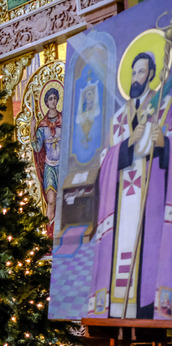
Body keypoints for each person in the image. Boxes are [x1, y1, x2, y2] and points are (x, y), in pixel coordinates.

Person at [90, 51, 172, 319]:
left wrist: (163, 145)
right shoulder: (117, 119)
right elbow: (104, 162)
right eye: (133, 72)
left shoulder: (164, 107)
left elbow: (169, 148)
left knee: (148, 257)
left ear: (150, 75)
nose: (136, 77)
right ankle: (116, 312)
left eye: (142, 72)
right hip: (123, 202)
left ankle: (148, 308)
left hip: (151, 201)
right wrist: (127, 144)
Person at [31, 87, 62, 237]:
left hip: (64, 166)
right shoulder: (43, 126)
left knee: (66, 200)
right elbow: (37, 147)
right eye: (50, 99)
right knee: (51, 201)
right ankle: (50, 236)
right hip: (50, 166)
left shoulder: (64, 120)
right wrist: (32, 130)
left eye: (55, 98)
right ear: (46, 102)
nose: (53, 101)